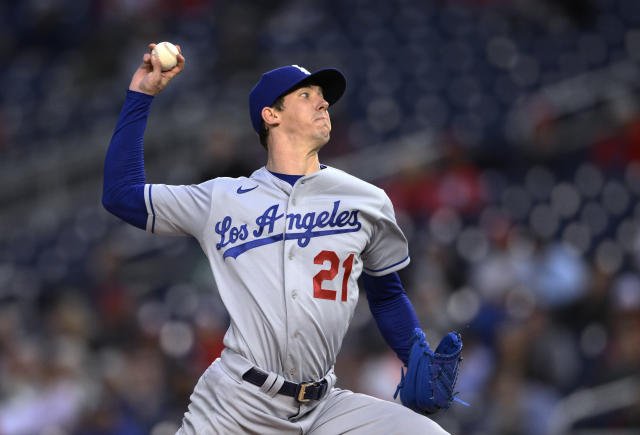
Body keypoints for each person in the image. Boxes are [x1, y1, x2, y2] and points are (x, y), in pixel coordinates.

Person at [102, 43, 450, 434]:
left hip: (324, 407)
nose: (322, 105)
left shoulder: (366, 200)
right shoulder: (221, 198)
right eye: (306, 96)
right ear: (271, 115)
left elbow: (386, 294)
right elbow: (120, 195)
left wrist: (413, 354)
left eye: (323, 99)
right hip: (236, 405)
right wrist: (141, 96)